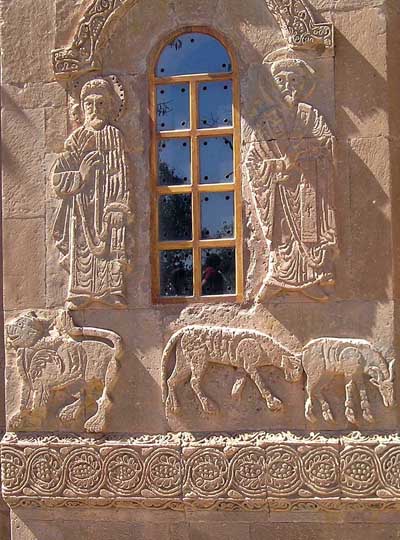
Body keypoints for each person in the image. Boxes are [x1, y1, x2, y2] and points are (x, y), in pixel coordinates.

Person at [246, 48, 337, 302]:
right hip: (279, 189)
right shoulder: (266, 122)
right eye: (281, 81)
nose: (288, 86)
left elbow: (328, 146)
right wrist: (278, 167)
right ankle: (278, 278)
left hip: (309, 186)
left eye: (294, 80)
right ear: (272, 87)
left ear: (303, 84)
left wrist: (309, 154)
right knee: (283, 238)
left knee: (309, 237)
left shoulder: (311, 116)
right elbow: (253, 160)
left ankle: (311, 278)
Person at [52, 78, 130, 309]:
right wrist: (81, 175)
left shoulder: (114, 136)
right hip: (81, 208)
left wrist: (118, 205)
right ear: (82, 108)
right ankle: (80, 293)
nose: (94, 110)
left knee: (110, 247)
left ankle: (112, 291)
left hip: (108, 205)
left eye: (100, 104)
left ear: (110, 107)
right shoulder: (76, 139)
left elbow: (121, 173)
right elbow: (57, 179)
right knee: (82, 250)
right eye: (89, 105)